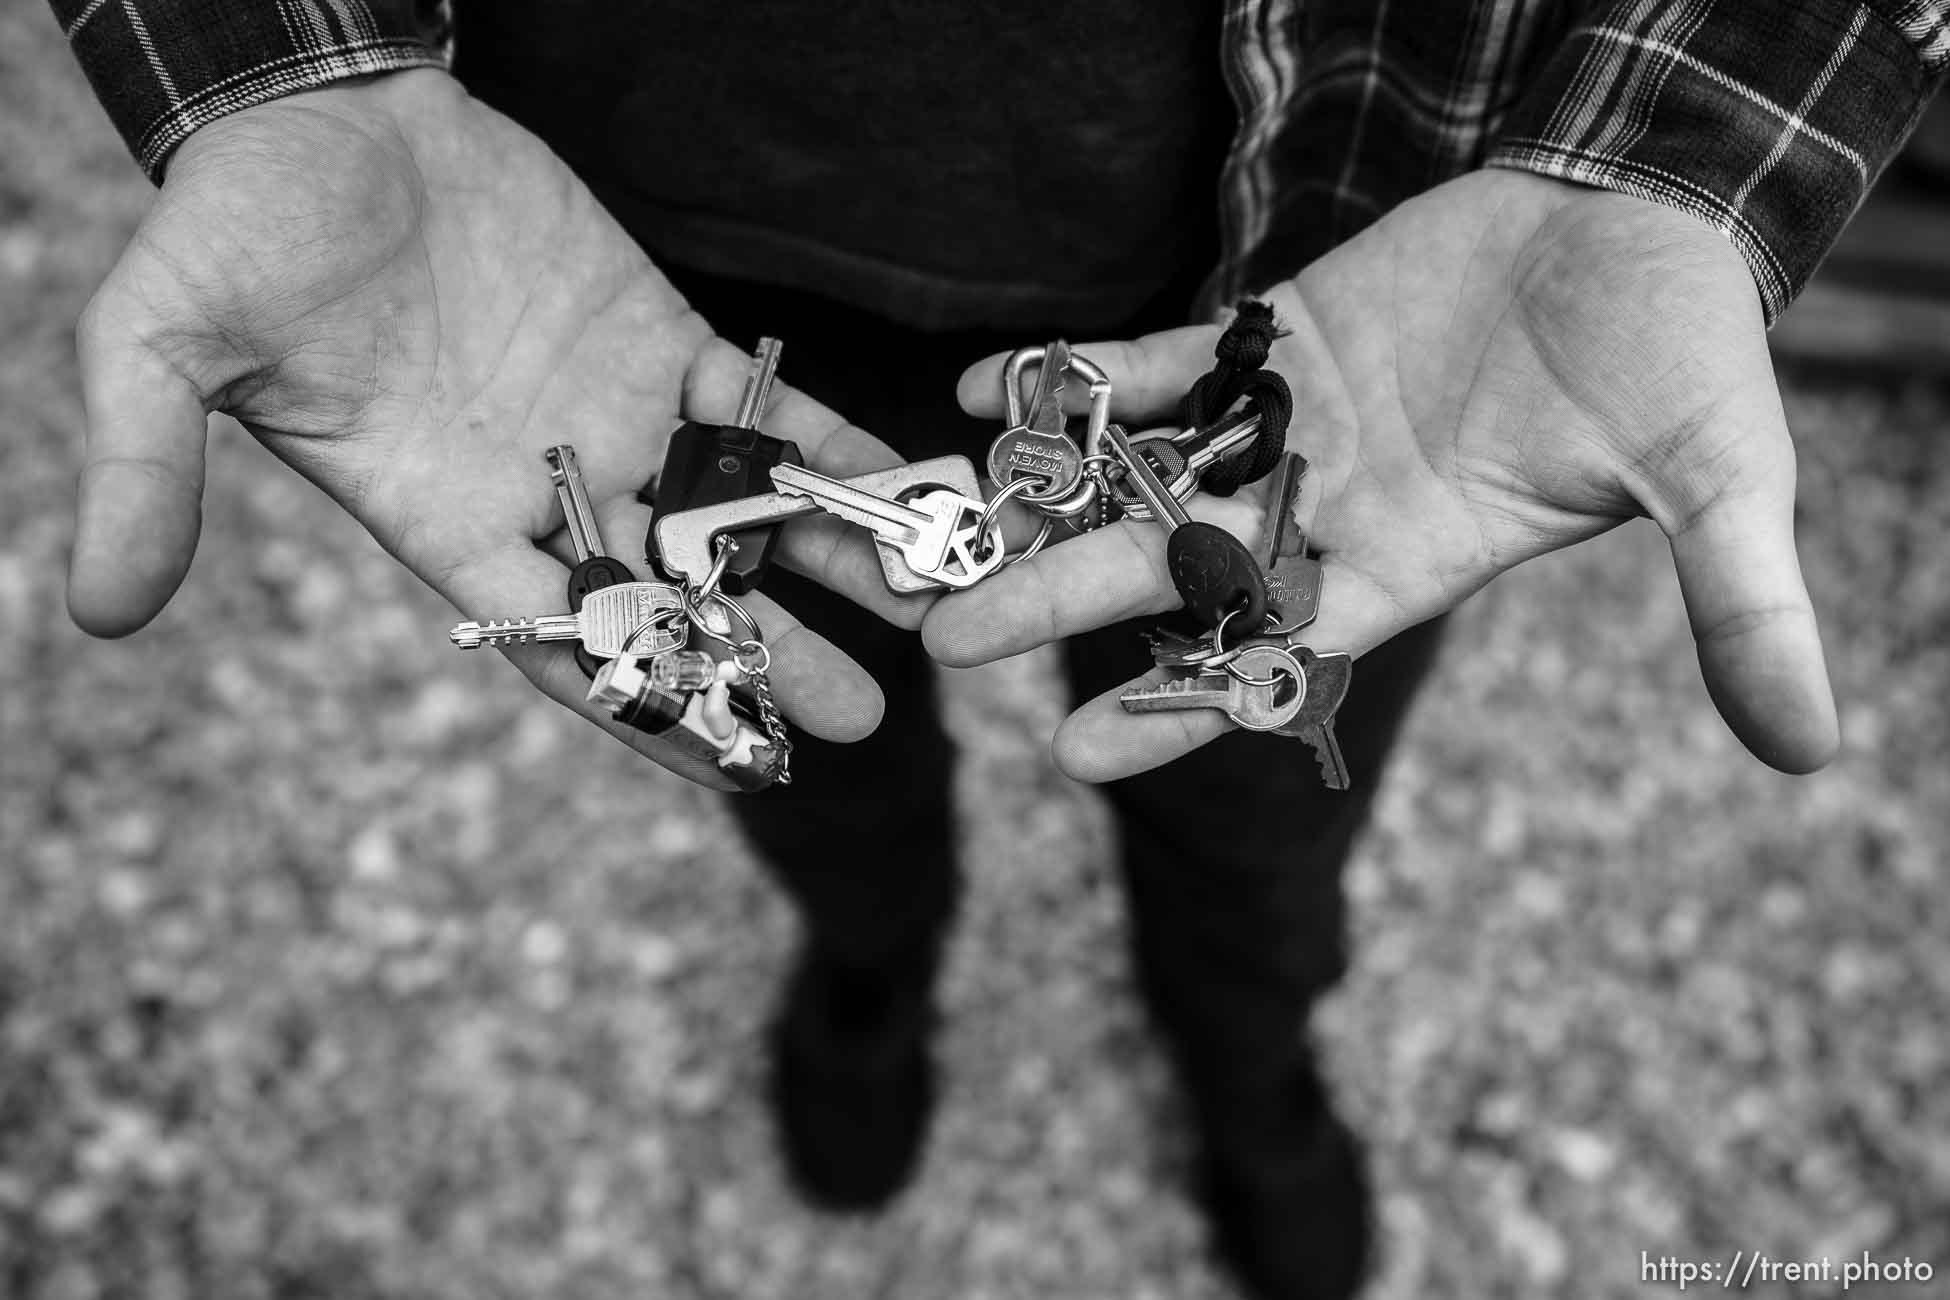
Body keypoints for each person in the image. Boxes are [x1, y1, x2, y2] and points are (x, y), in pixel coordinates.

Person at [48, 1, 1946, 1296]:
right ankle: (870, 964)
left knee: (1250, 803)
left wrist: (1687, 144)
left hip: (1325, 270)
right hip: (637, 260)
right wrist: (277, 60)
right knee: (791, 741)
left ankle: (1249, 1048)